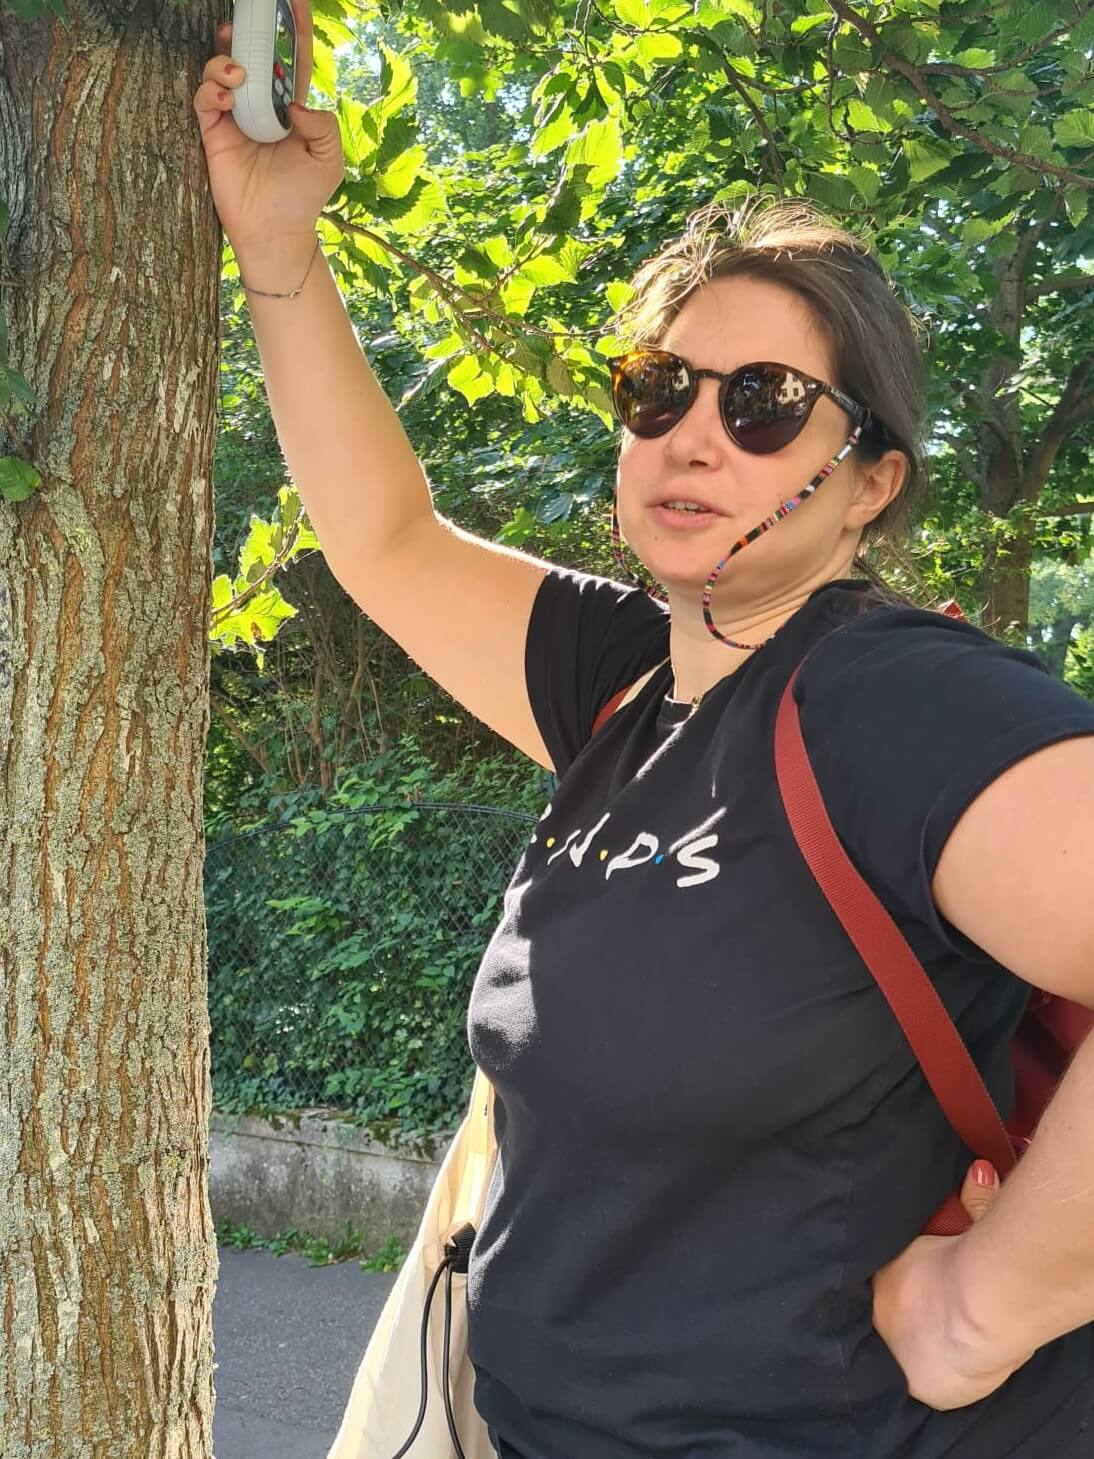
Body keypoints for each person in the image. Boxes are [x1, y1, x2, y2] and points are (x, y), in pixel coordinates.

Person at [195, 22, 1094, 1458]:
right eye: (657, 390)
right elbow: (383, 537)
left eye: (764, 406)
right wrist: (277, 243)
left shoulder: (894, 702)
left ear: (868, 484)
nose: (692, 435)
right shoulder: (626, 681)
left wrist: (984, 1307)